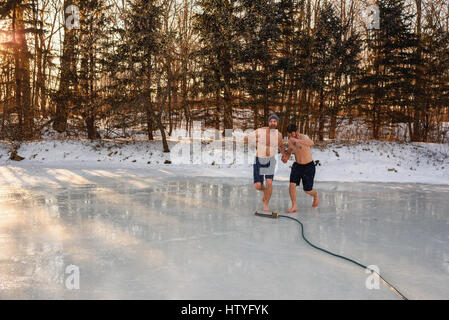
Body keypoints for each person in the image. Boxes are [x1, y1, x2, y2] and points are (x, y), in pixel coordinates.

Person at [244, 114, 286, 211]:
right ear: (268, 122)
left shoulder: (279, 135)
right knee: (258, 185)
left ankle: (266, 205)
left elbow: (281, 146)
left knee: (269, 182)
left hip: (270, 160)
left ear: (277, 123)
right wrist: (255, 139)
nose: (273, 123)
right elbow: (246, 139)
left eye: (274, 121)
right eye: (271, 121)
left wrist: (284, 155)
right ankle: (265, 191)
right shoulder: (260, 131)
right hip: (259, 159)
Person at [282, 123, 319, 212]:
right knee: (292, 185)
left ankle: (316, 195)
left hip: (308, 166)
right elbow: (289, 151)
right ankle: (294, 206)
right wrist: (285, 157)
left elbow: (312, 143)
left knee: (307, 190)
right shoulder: (290, 141)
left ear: (297, 132)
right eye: (289, 134)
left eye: (292, 133)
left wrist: (298, 141)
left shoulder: (303, 137)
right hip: (297, 166)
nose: (290, 135)